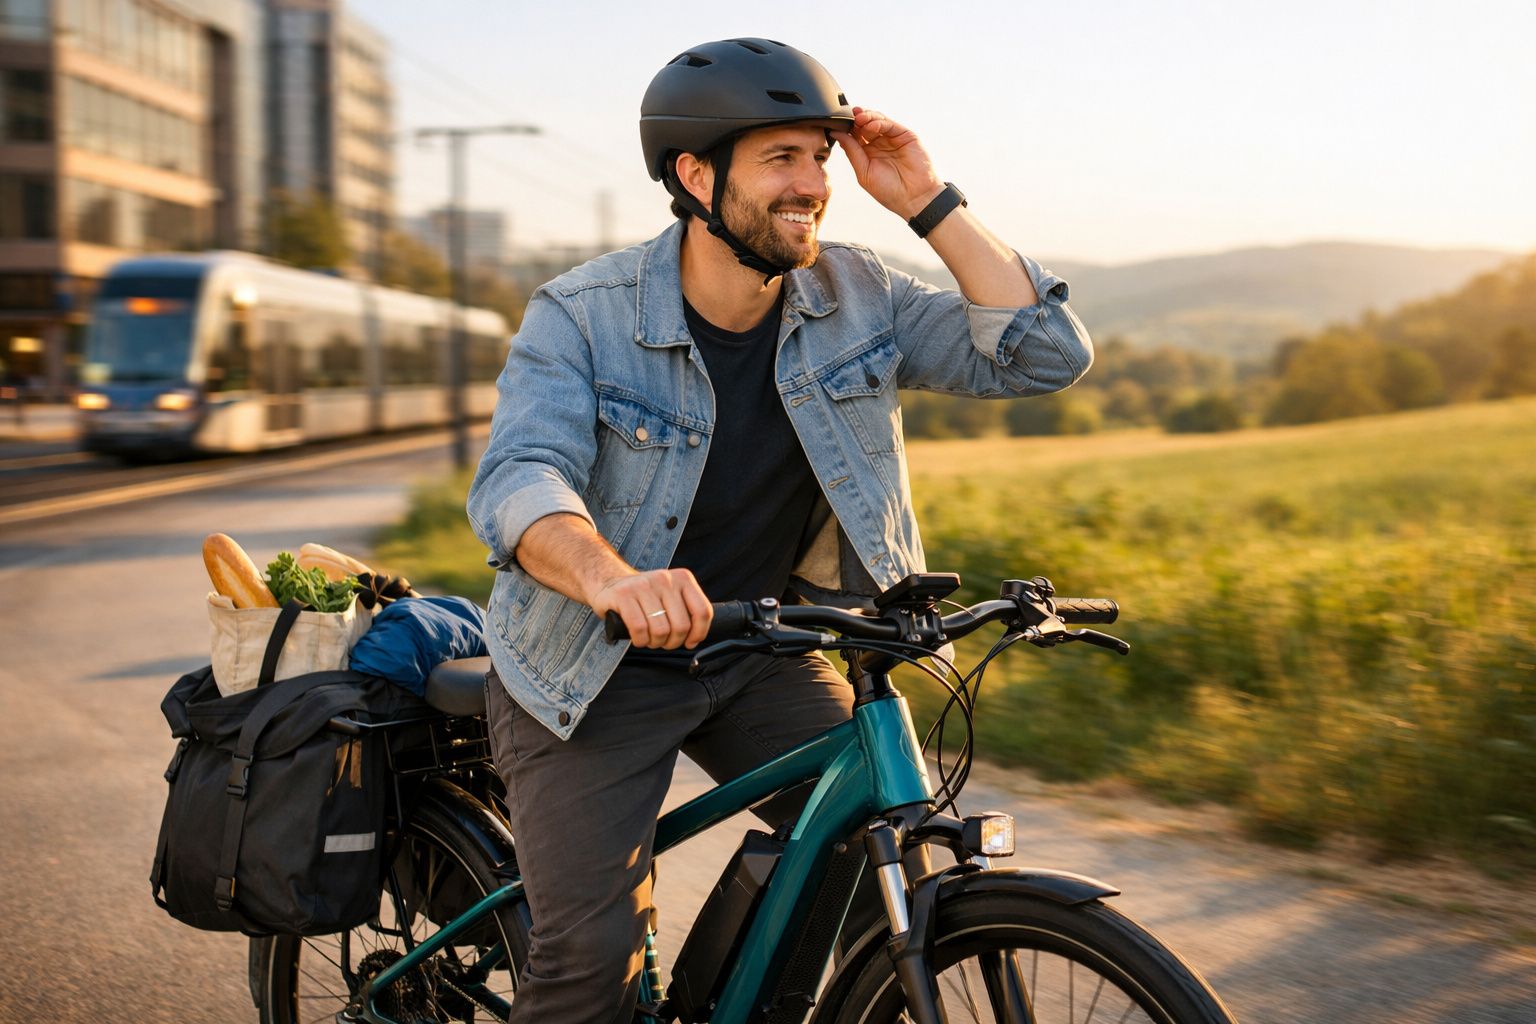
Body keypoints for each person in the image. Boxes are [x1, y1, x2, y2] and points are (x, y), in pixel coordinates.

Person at [467, 37, 1093, 1022]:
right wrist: (611, 578)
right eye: (781, 160)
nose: (813, 185)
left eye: (821, 157)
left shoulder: (858, 295)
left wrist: (925, 197)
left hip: (759, 646)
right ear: (694, 174)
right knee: (591, 963)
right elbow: (519, 479)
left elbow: (1041, 354)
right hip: (593, 661)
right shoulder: (582, 315)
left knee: (881, 853)